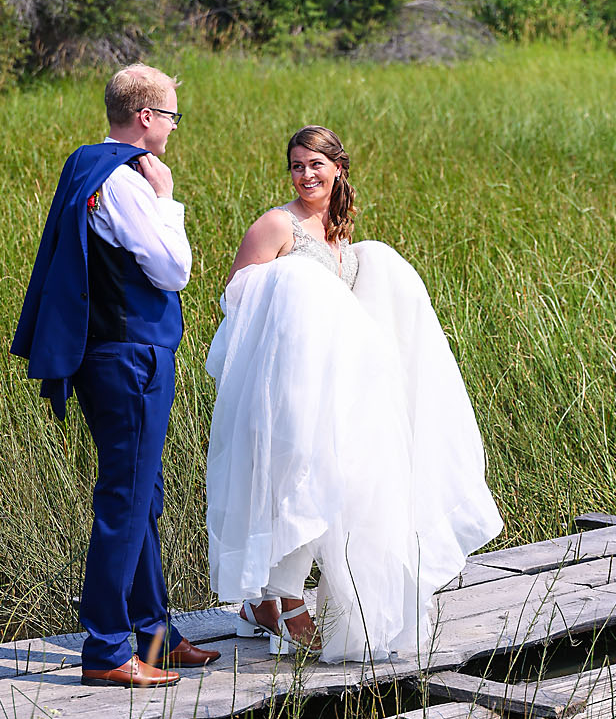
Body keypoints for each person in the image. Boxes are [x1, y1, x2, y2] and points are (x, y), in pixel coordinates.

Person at [205, 125, 502, 664]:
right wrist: (296, 288)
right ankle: (284, 600)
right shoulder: (278, 225)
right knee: (296, 482)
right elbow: (236, 299)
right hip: (290, 388)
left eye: (315, 164)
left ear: (338, 168)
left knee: (342, 488)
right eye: (296, 165)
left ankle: (271, 605)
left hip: (343, 392)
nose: (305, 175)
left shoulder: (343, 238)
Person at [11, 63, 220, 688]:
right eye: (173, 116)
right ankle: (106, 648)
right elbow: (173, 269)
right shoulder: (129, 184)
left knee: (141, 495)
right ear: (148, 118)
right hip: (131, 355)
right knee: (125, 499)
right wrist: (167, 197)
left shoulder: (85, 164)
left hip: (107, 351)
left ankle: (154, 636)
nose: (175, 129)